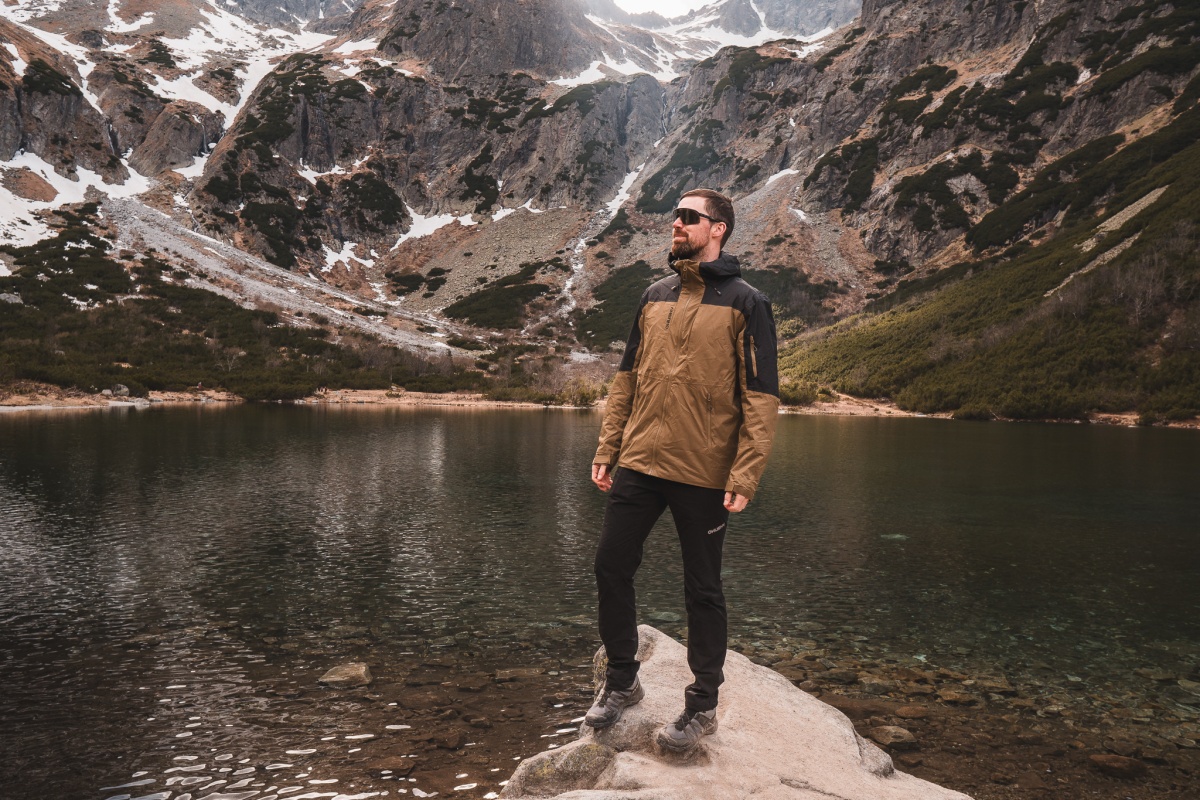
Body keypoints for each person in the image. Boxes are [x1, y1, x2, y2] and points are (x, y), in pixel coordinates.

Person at [585, 188, 780, 752]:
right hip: (640, 460)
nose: (676, 223)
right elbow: (626, 379)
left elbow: (761, 396)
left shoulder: (747, 302)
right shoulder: (654, 296)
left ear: (718, 229)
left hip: (704, 470)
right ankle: (623, 680)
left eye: (689, 217)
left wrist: (744, 474)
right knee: (610, 565)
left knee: (703, 588)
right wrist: (608, 446)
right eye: (675, 215)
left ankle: (703, 705)